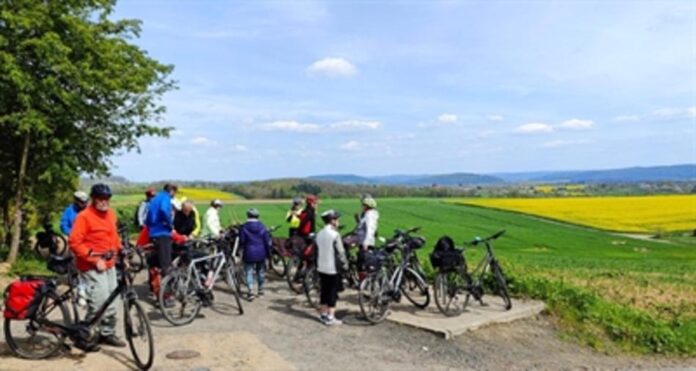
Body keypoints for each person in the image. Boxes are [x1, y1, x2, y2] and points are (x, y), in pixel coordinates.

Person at [68, 183, 125, 348]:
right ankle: (85, 335)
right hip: (91, 265)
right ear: (93, 199)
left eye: (107, 199)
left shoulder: (111, 215)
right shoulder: (84, 217)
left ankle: (107, 333)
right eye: (100, 199)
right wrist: (94, 260)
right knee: (99, 300)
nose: (104, 202)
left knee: (113, 300)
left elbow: (114, 238)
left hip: (109, 263)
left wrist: (121, 253)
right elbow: (74, 242)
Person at [315, 209, 348, 326]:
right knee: (332, 292)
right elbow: (341, 252)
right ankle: (331, 316)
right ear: (332, 221)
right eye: (337, 219)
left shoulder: (319, 234)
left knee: (324, 291)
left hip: (321, 266)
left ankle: (323, 314)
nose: (338, 221)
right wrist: (345, 265)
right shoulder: (335, 234)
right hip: (332, 267)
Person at [145, 183, 177, 279]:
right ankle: (166, 288)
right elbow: (163, 210)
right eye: (174, 193)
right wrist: (169, 223)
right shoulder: (165, 198)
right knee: (166, 264)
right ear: (171, 191)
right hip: (162, 233)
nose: (174, 196)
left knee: (155, 262)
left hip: (153, 233)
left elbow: (149, 215)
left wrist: (150, 226)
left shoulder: (156, 198)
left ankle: (154, 288)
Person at [239, 208, 272, 300]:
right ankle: (260, 289)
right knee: (260, 271)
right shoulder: (262, 226)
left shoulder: (244, 227)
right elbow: (266, 241)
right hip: (261, 252)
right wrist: (268, 254)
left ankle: (250, 291)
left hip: (249, 251)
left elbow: (242, 241)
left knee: (249, 271)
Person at [356, 195, 379, 280]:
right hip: (363, 241)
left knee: (363, 263)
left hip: (366, 243)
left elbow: (370, 230)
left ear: (367, 206)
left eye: (363, 205)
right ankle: (364, 281)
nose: (362, 207)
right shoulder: (367, 214)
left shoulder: (369, 215)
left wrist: (366, 243)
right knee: (362, 262)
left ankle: (365, 281)